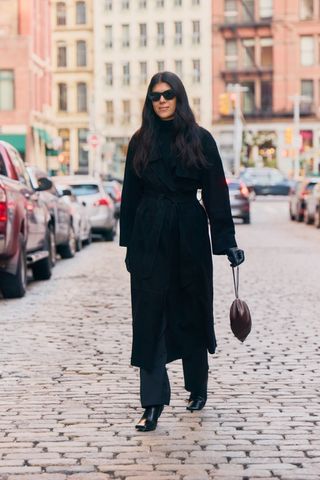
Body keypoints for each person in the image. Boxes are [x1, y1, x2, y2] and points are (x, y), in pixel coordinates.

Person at [119, 71, 244, 432]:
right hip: (150, 233)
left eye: (168, 94)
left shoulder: (200, 140)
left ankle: (197, 386)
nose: (161, 100)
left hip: (189, 230)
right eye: (155, 96)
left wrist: (227, 242)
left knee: (192, 306)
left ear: (179, 97)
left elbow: (217, 193)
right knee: (149, 317)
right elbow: (130, 197)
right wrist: (129, 246)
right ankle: (153, 403)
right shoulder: (139, 142)